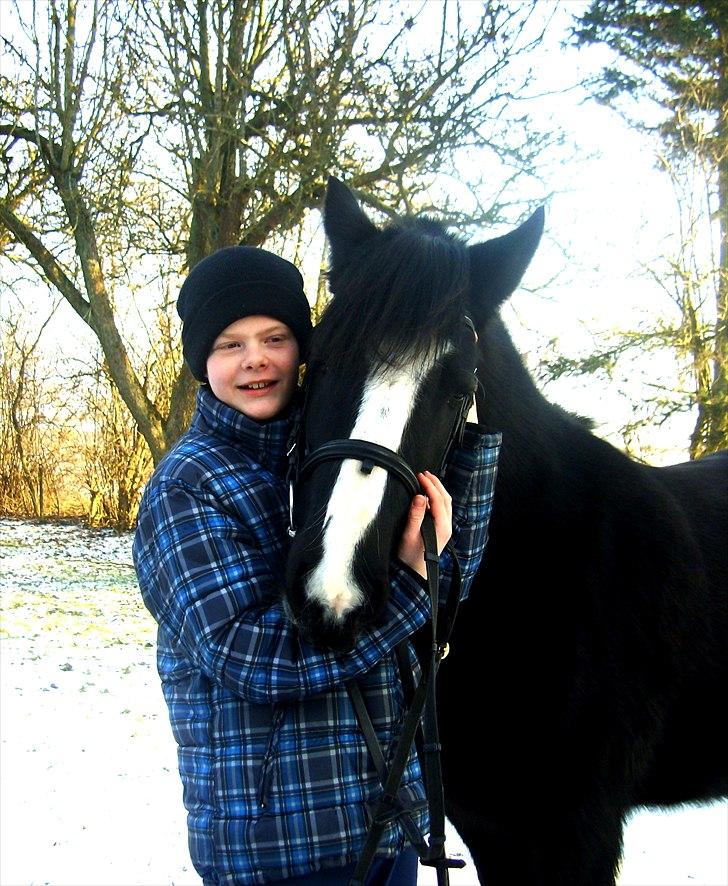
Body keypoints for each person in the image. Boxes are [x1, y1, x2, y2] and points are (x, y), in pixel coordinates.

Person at [133, 245, 501, 886]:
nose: (255, 358)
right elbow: (253, 657)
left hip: (386, 827)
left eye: (274, 337)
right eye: (229, 343)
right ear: (201, 363)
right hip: (281, 848)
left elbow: (439, 552)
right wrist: (413, 590)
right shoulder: (187, 488)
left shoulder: (335, 457)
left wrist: (464, 438)